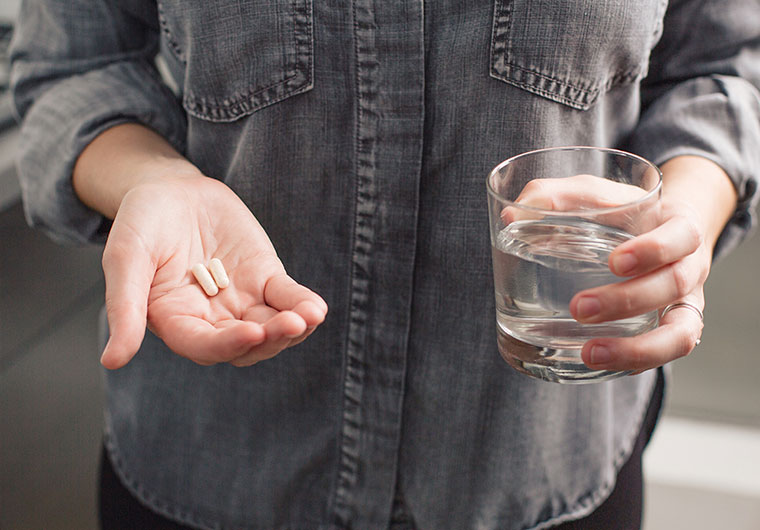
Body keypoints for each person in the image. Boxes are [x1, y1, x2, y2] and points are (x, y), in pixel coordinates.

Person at [10, 0, 759, 528]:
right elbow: (72, 69)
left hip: (539, 464)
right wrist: (156, 180)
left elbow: (723, 72)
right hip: (216, 463)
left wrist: (681, 221)